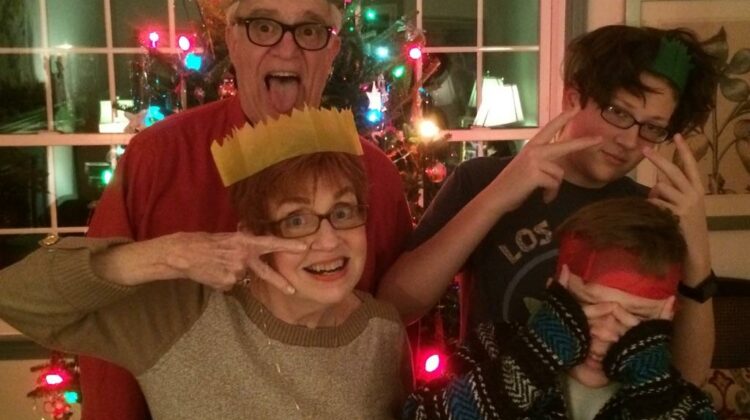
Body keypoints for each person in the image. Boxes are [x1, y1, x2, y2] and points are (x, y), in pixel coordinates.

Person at [82, 0, 413, 418]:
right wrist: (170, 254)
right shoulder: (157, 159)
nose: (288, 50)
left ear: (332, 50)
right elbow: (96, 323)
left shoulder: (374, 175)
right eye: (263, 25)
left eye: (309, 30)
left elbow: (389, 323)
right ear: (232, 40)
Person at [0, 107, 411, 420]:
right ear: (251, 232)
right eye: (296, 220)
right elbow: (16, 295)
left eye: (343, 212)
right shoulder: (181, 318)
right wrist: (168, 254)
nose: (327, 240)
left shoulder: (382, 334)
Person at [377, 25, 718, 385]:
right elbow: (396, 307)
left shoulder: (646, 211)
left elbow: (688, 380)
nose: (630, 139)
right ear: (573, 100)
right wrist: (495, 199)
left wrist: (698, 255)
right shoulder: (480, 179)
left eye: (652, 127)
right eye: (618, 112)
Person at [402, 198, 717, 419]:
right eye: (589, 304)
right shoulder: (492, 347)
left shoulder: (678, 400)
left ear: (666, 315)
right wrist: (531, 362)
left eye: (636, 318)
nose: (606, 333)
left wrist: (654, 398)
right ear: (557, 288)